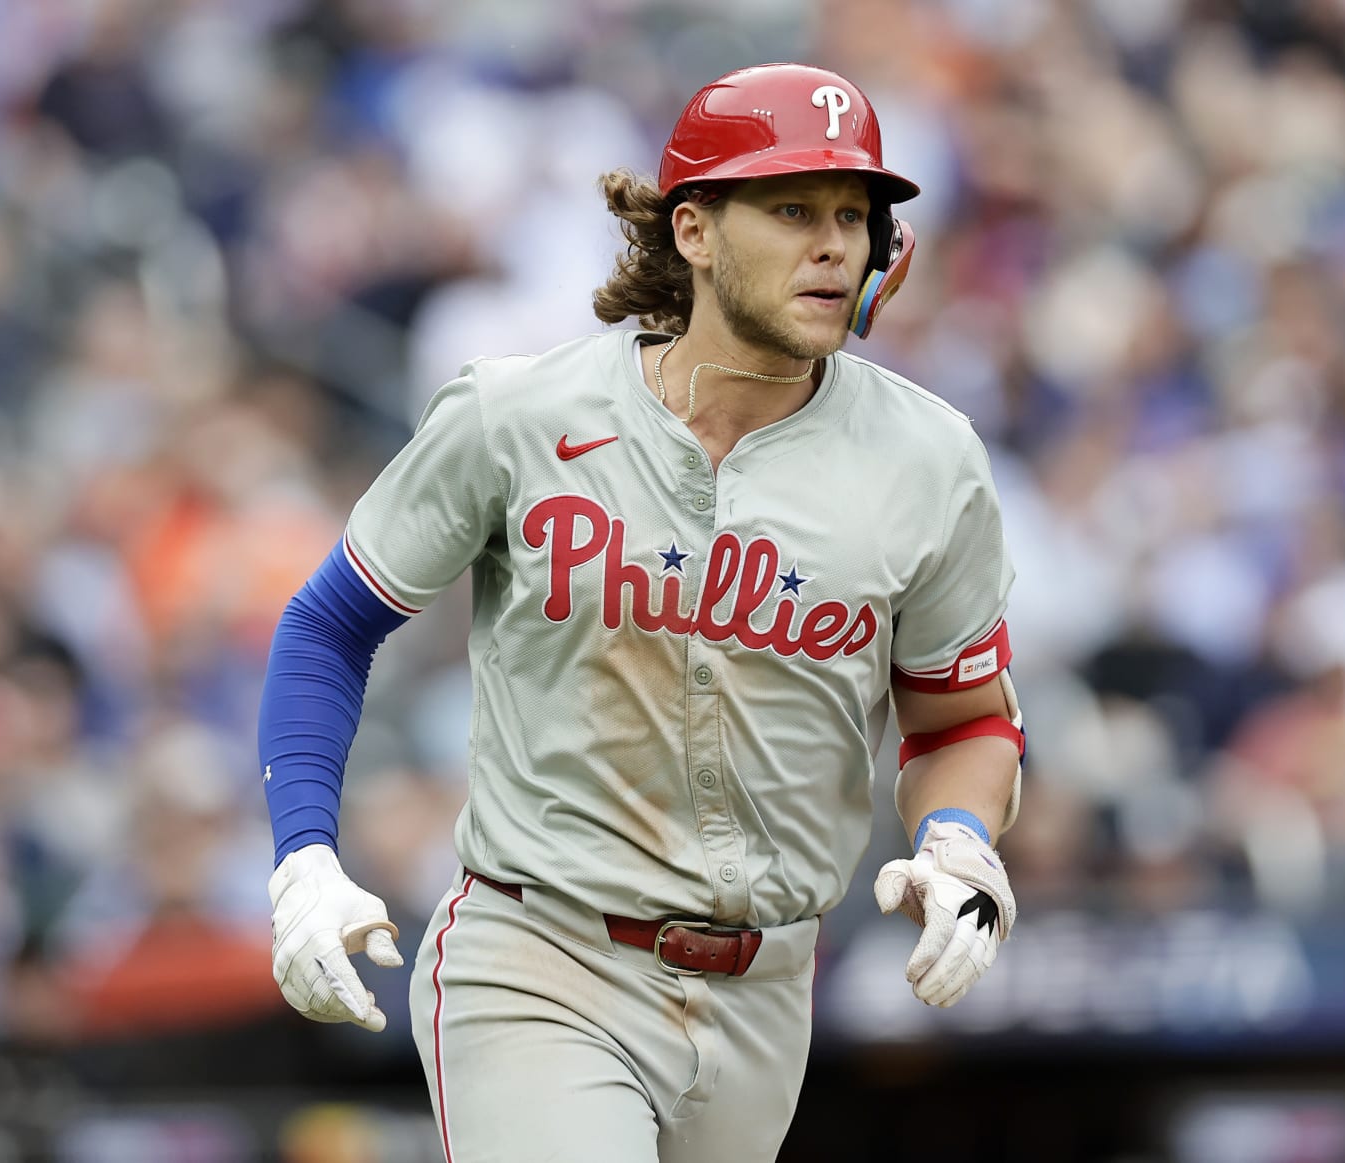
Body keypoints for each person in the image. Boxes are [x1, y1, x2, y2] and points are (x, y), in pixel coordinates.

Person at [258, 62, 1025, 1163]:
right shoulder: (520, 413)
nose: (833, 244)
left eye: (854, 216)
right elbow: (331, 624)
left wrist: (958, 839)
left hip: (765, 993)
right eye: (793, 208)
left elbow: (961, 719)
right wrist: (304, 860)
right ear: (696, 231)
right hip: (543, 954)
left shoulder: (930, 457)